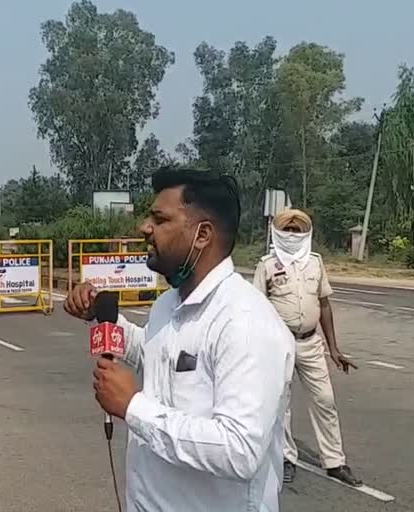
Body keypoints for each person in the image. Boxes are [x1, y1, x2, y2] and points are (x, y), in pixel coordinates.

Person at [65, 168, 295, 512]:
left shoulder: (245, 323)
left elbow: (240, 450)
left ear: (202, 234)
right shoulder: (169, 304)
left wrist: (134, 407)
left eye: (160, 219)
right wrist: (100, 313)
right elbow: (159, 357)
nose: (144, 228)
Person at [253, 209, 362, 487]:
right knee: (282, 404)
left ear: (306, 234)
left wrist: (333, 348)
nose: (292, 236)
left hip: (311, 342)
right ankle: (286, 458)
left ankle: (335, 461)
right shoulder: (266, 265)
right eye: (287, 231)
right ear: (278, 234)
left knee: (325, 400)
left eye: (297, 231)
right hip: (280, 344)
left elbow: (324, 304)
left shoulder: (315, 263)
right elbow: (254, 309)